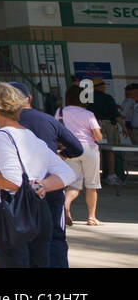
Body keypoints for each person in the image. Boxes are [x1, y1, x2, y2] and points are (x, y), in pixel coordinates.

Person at [0, 82, 74, 268]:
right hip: (38, 209)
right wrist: (39, 186)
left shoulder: (2, 135)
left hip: (8, 211)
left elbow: (13, 181)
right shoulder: (31, 137)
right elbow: (67, 173)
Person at [8, 81, 82, 268]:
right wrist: (61, 155)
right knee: (56, 237)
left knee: (23, 241)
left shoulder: (7, 124)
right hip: (51, 186)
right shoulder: (47, 119)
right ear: (30, 98)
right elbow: (77, 147)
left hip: (20, 191)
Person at [56, 85, 104, 226]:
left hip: (69, 149)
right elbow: (97, 136)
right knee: (92, 185)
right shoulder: (88, 114)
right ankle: (91, 217)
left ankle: (66, 204)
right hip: (89, 149)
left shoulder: (60, 111)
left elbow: (56, 129)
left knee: (74, 184)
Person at [87, 79, 123, 185]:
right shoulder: (107, 98)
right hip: (108, 126)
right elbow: (116, 115)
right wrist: (124, 127)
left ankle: (98, 175)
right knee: (110, 150)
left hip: (93, 126)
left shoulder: (88, 99)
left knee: (96, 151)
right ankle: (111, 175)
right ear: (101, 86)